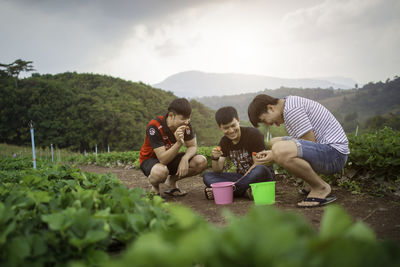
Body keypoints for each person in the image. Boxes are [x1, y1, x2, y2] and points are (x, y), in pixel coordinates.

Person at [247, 94, 350, 208]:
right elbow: (304, 145)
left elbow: (310, 142)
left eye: (264, 120)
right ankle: (311, 183)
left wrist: (275, 154)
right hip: (327, 151)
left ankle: (320, 187)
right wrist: (273, 153)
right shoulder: (288, 105)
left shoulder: (292, 110)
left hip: (334, 155)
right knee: (274, 142)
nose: (269, 124)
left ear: (271, 108)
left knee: (279, 149)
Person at [139, 98, 207, 196]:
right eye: (183, 119)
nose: (186, 122)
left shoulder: (186, 125)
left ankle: (171, 181)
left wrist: (185, 158)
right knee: (160, 171)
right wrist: (179, 143)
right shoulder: (155, 126)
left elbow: (192, 146)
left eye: (188, 118)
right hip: (150, 159)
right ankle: (155, 187)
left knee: (201, 161)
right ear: (171, 115)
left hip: (171, 157)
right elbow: (162, 159)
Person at [203, 106, 274, 200]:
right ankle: (244, 191)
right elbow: (218, 170)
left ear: (238, 120)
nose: (231, 131)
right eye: (226, 128)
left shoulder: (254, 134)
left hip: (260, 177)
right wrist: (215, 158)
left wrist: (240, 181)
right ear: (220, 127)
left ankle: (226, 191)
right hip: (241, 178)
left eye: (233, 125)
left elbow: (258, 163)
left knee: (260, 169)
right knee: (208, 176)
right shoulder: (224, 141)